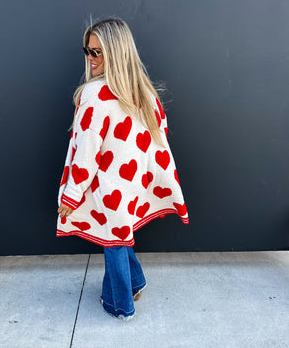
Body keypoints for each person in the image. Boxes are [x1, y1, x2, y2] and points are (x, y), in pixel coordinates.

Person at [56, 17, 189, 321]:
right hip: (132, 186)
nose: (90, 59)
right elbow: (158, 147)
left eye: (97, 52)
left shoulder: (95, 96)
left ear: (117, 53)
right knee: (120, 234)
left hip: (107, 187)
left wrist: (71, 195)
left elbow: (86, 153)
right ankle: (136, 282)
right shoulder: (145, 94)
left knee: (113, 242)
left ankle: (119, 305)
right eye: (88, 51)